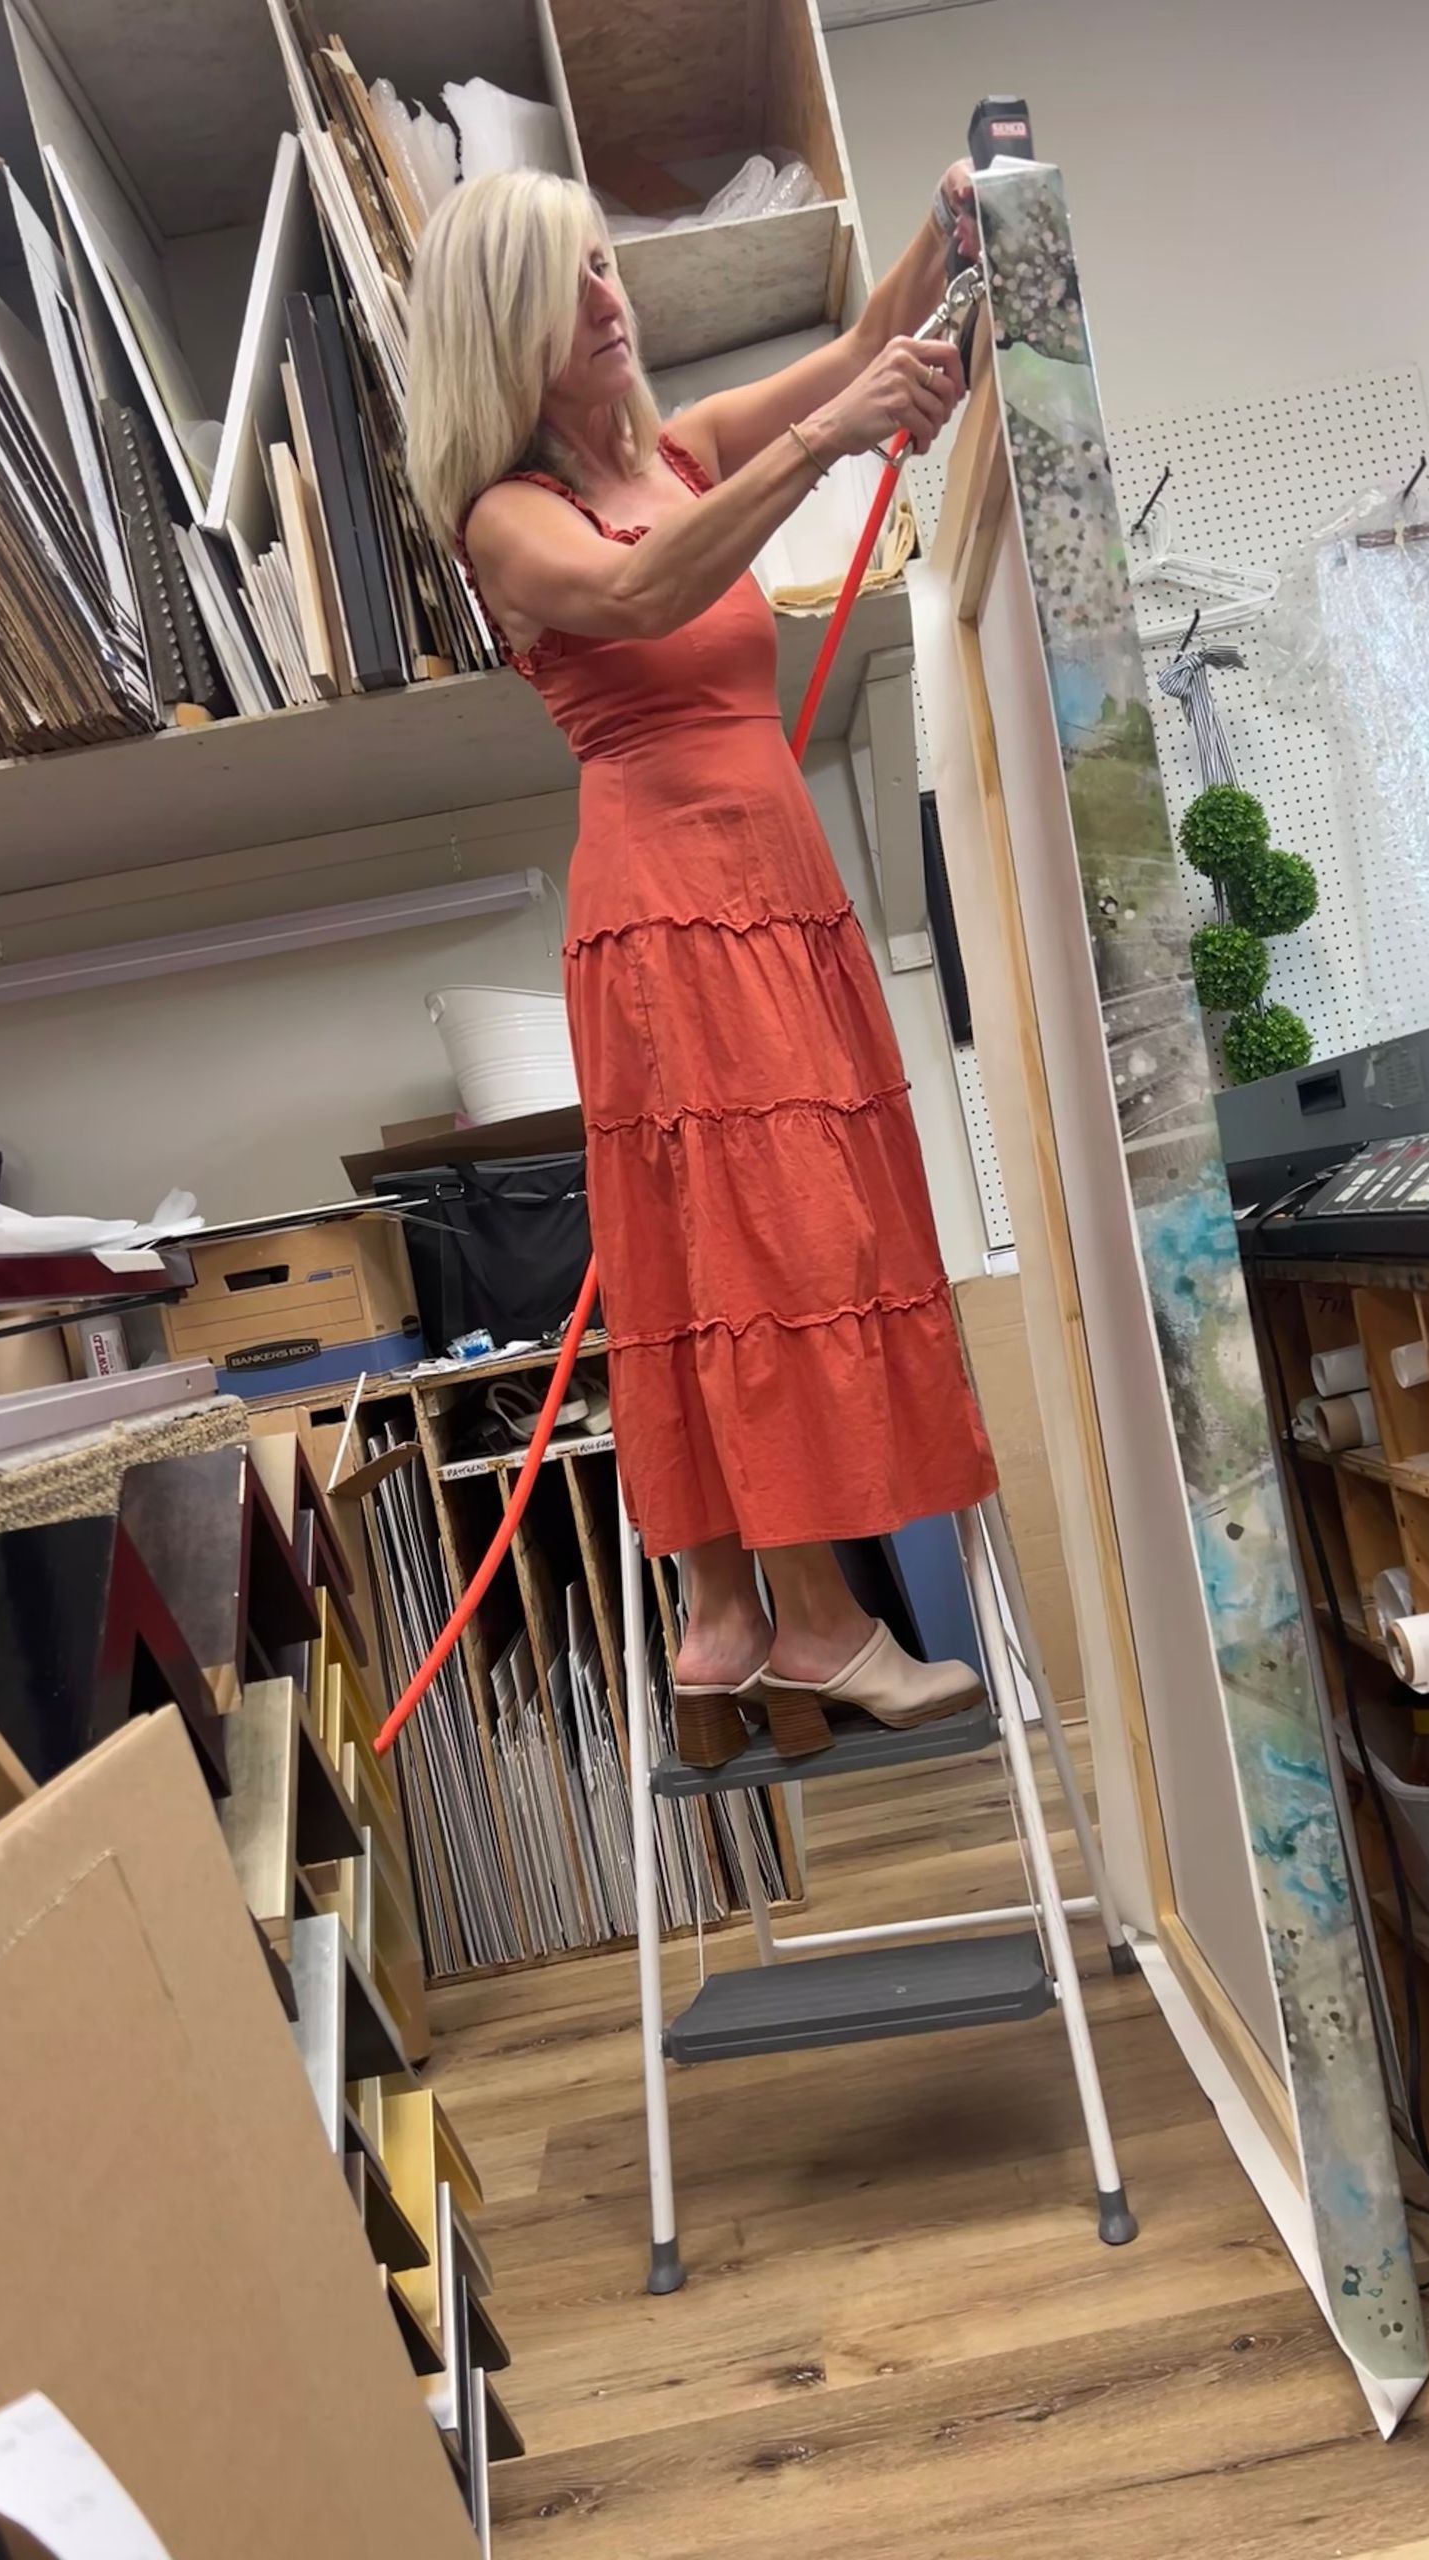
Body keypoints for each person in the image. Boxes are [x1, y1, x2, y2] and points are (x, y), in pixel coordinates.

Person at [407, 162, 997, 1767]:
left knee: (755, 1237)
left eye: (608, 269)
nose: (611, 302)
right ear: (501, 333)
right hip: (669, 908)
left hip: (771, 882)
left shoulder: (678, 451)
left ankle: (732, 1615)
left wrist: (953, 223)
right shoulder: (510, 521)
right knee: (750, 1248)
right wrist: (834, 430)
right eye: (571, 286)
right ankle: (798, 1614)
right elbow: (637, 589)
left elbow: (871, 334)